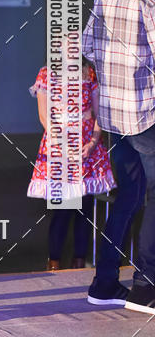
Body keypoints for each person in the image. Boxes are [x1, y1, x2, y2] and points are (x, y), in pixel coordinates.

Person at [83, 0, 155, 312]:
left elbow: (89, 48)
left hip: (114, 114)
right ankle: (146, 287)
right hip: (147, 112)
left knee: (128, 196)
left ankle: (105, 283)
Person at [27, 61, 115, 270]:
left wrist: (93, 143)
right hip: (59, 146)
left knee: (84, 208)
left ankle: (79, 261)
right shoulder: (46, 73)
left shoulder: (89, 73)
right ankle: (54, 262)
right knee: (63, 208)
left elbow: (98, 113)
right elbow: (44, 115)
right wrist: (61, 143)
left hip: (85, 146)